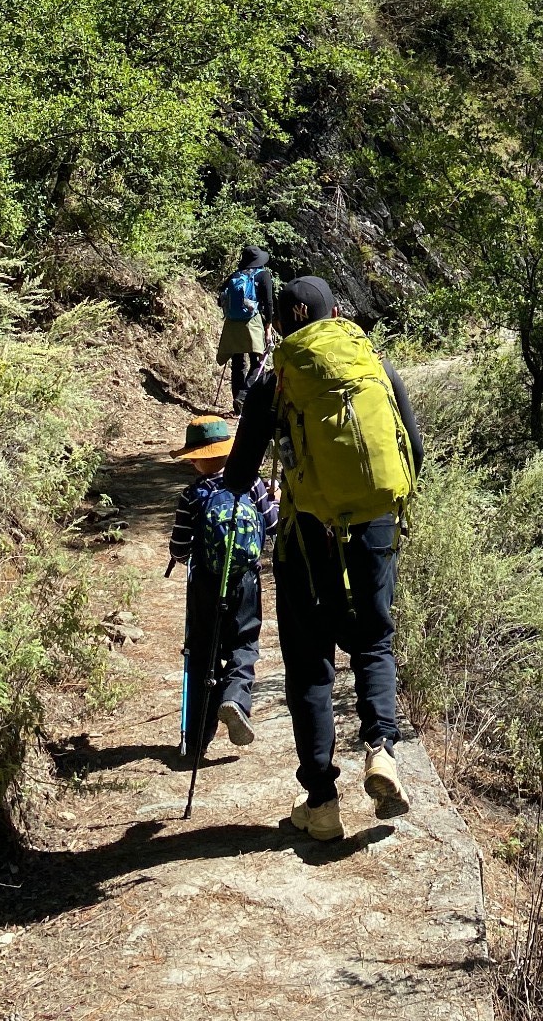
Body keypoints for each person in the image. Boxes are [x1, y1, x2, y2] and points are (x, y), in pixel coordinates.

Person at [223, 277, 423, 843]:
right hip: (375, 524)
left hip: (307, 538)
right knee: (373, 640)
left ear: (283, 321)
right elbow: (415, 451)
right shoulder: (373, 367)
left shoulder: (276, 379)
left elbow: (239, 475)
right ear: (334, 313)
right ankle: (381, 749)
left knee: (310, 663)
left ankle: (321, 800)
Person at [167, 415, 279, 759]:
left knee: (202, 653)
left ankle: (197, 739)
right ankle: (234, 698)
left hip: (204, 583)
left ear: (198, 459)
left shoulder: (192, 494)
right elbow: (273, 526)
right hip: (245, 581)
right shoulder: (252, 484)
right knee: (244, 644)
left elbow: (179, 548)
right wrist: (274, 500)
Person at [217, 246, 276, 414]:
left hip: (232, 323)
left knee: (237, 363)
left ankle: (238, 403)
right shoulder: (263, 275)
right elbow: (269, 303)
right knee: (258, 362)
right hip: (252, 323)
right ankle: (242, 398)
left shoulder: (235, 275)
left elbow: (221, 298)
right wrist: (268, 327)